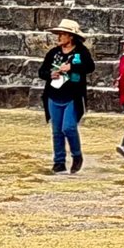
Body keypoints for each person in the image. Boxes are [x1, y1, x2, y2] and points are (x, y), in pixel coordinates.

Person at [39, 18, 94, 174]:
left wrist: (72, 66)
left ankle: (77, 156)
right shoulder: (53, 53)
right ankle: (59, 162)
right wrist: (51, 74)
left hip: (73, 96)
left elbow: (90, 67)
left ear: (71, 36)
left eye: (62, 34)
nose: (59, 37)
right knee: (57, 131)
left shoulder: (81, 52)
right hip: (53, 95)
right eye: (59, 34)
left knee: (68, 128)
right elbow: (42, 71)